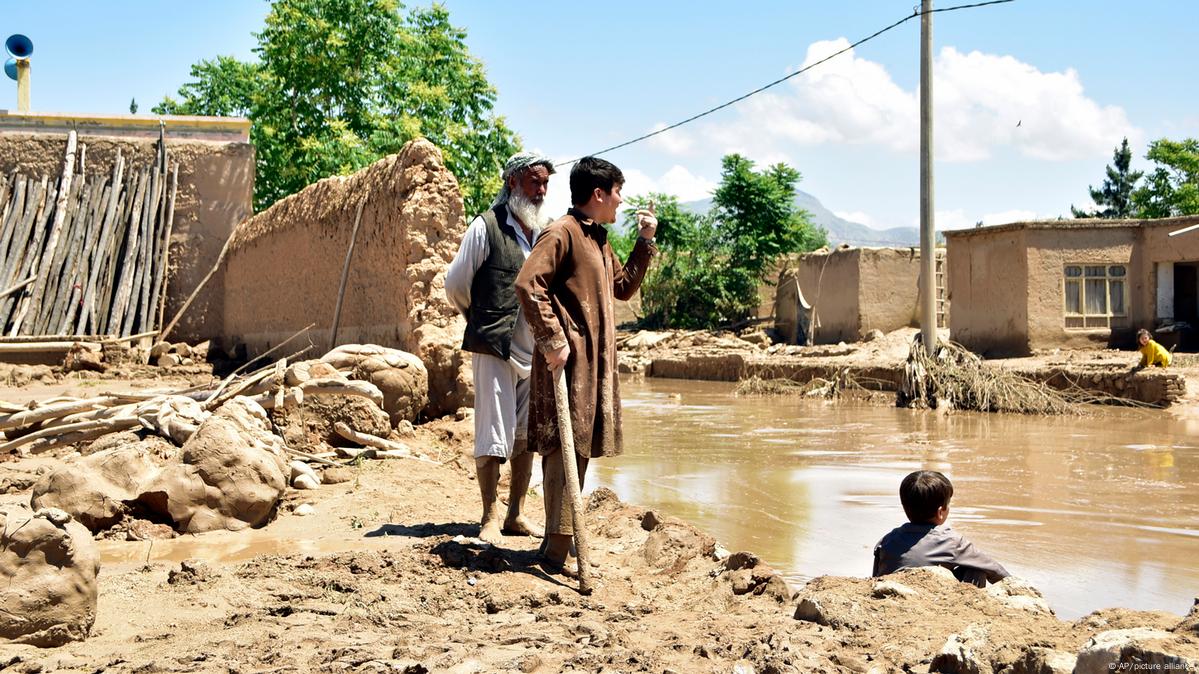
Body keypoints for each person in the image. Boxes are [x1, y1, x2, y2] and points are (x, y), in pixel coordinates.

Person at [514, 156, 657, 574]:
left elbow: (623, 288)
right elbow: (528, 284)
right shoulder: (561, 233)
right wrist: (553, 340)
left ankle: (559, 541)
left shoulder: (597, 237)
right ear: (598, 194)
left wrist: (645, 241)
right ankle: (557, 548)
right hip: (568, 363)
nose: (620, 201)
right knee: (564, 446)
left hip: (593, 364)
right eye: (617, 193)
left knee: (579, 445)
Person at [445, 151, 554, 543]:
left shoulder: (544, 232)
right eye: (534, 182)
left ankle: (515, 514)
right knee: (493, 432)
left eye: (545, 184)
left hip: (534, 351)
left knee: (524, 434)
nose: (541, 191)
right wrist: (478, 320)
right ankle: (489, 516)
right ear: (513, 184)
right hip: (495, 346)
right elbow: (455, 283)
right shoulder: (486, 227)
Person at [872, 470, 1009, 588]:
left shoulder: (886, 540)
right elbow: (994, 570)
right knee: (976, 569)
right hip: (934, 601)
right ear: (940, 512)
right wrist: (1017, 587)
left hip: (896, 595)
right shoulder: (951, 541)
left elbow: (875, 577)